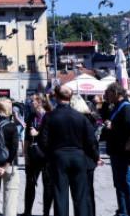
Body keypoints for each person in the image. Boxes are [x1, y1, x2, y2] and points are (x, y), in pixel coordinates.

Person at [40, 85, 99, 216]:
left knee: (60, 196)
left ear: (56, 96)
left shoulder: (50, 117)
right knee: (81, 197)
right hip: (78, 156)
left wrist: (50, 156)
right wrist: (95, 157)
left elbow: (43, 141)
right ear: (70, 97)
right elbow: (91, 140)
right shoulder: (81, 117)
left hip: (58, 157)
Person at [104, 82, 130, 216]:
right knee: (119, 183)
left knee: (126, 183)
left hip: (122, 152)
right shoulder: (117, 107)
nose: (106, 97)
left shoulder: (126, 108)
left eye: (108, 94)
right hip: (116, 151)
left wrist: (112, 127)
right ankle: (123, 211)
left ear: (115, 93)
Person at [71, 94, 101, 216]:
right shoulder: (91, 118)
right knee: (88, 191)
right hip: (88, 159)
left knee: (79, 192)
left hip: (81, 158)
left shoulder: (78, 119)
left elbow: (90, 141)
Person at [23, 94, 53, 216]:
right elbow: (26, 137)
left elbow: (52, 136)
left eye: (33, 101)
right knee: (30, 184)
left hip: (47, 156)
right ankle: (27, 211)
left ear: (40, 102)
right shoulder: (31, 116)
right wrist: (25, 155)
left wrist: (38, 133)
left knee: (48, 185)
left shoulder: (50, 116)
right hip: (33, 155)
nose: (31, 102)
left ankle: (46, 212)